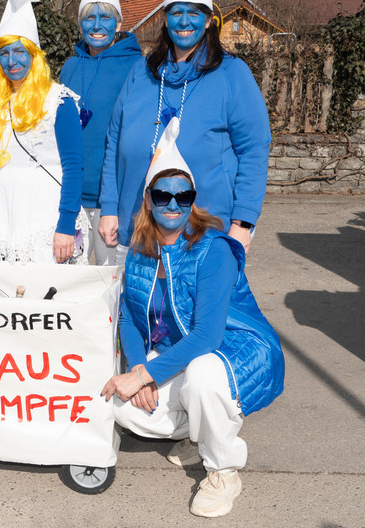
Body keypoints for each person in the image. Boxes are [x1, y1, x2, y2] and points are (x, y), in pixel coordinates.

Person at [100, 118, 283, 518]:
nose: (172, 205)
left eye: (183, 197)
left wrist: (145, 375)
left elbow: (207, 336)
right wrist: (138, 367)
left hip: (236, 346)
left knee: (201, 378)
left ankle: (224, 470)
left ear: (193, 201)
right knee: (121, 407)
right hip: (182, 349)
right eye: (162, 195)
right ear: (148, 200)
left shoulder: (214, 250)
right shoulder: (140, 250)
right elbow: (129, 317)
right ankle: (201, 431)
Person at [99, 0, 271, 259]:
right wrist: (109, 207)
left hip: (206, 232)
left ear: (208, 21)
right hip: (138, 228)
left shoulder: (232, 74)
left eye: (194, 13)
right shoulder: (141, 72)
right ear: (165, 19)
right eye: (176, 12)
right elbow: (114, 141)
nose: (184, 21)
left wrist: (243, 222)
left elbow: (254, 149)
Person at [0, 0, 88, 265]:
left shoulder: (59, 100)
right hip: (1, 218)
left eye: (19, 51)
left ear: (34, 55)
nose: (12, 61)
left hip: (47, 219)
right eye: (4, 53)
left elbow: (73, 167)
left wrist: (65, 226)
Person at [59, 0, 144, 265]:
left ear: (119, 22)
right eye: (89, 18)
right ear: (79, 22)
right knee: (69, 280)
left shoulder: (137, 67)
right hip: (71, 197)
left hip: (114, 201)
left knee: (111, 279)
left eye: (105, 17)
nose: (96, 26)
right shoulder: (69, 67)